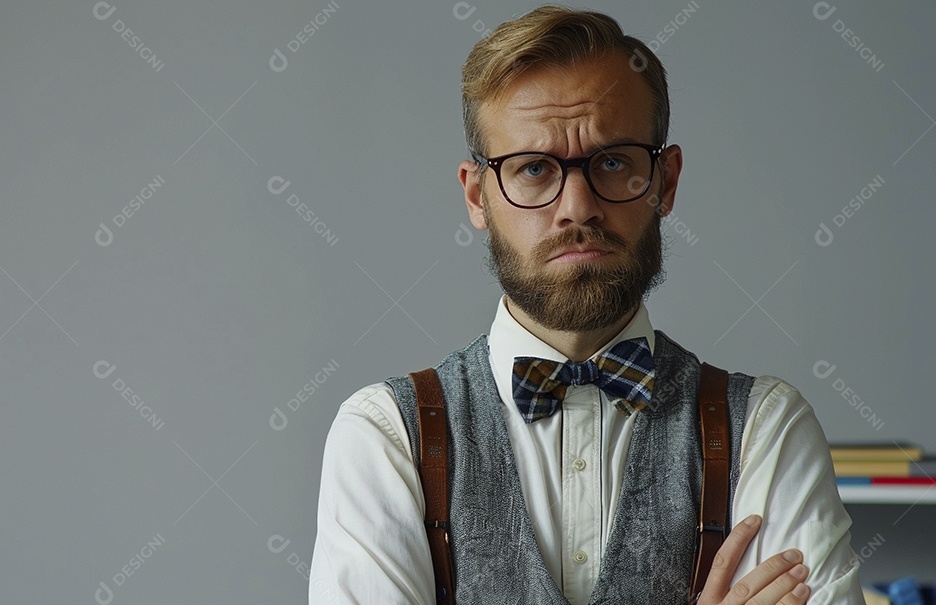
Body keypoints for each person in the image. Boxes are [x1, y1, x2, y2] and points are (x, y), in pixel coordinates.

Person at [309, 6, 864, 604]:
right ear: (478, 196)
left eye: (614, 161)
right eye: (532, 169)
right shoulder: (385, 436)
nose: (577, 207)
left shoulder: (765, 428)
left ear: (666, 181)